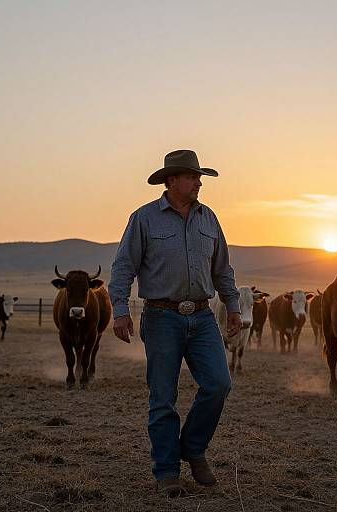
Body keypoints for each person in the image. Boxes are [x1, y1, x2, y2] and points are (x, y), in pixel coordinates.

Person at [109, 149, 241, 497]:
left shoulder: (209, 218)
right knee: (163, 397)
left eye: (200, 177)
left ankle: (193, 449)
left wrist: (233, 306)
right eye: (193, 177)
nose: (199, 182)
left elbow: (222, 268)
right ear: (171, 181)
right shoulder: (144, 219)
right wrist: (119, 309)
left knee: (218, 384)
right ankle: (166, 470)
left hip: (202, 315)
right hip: (161, 316)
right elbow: (124, 266)